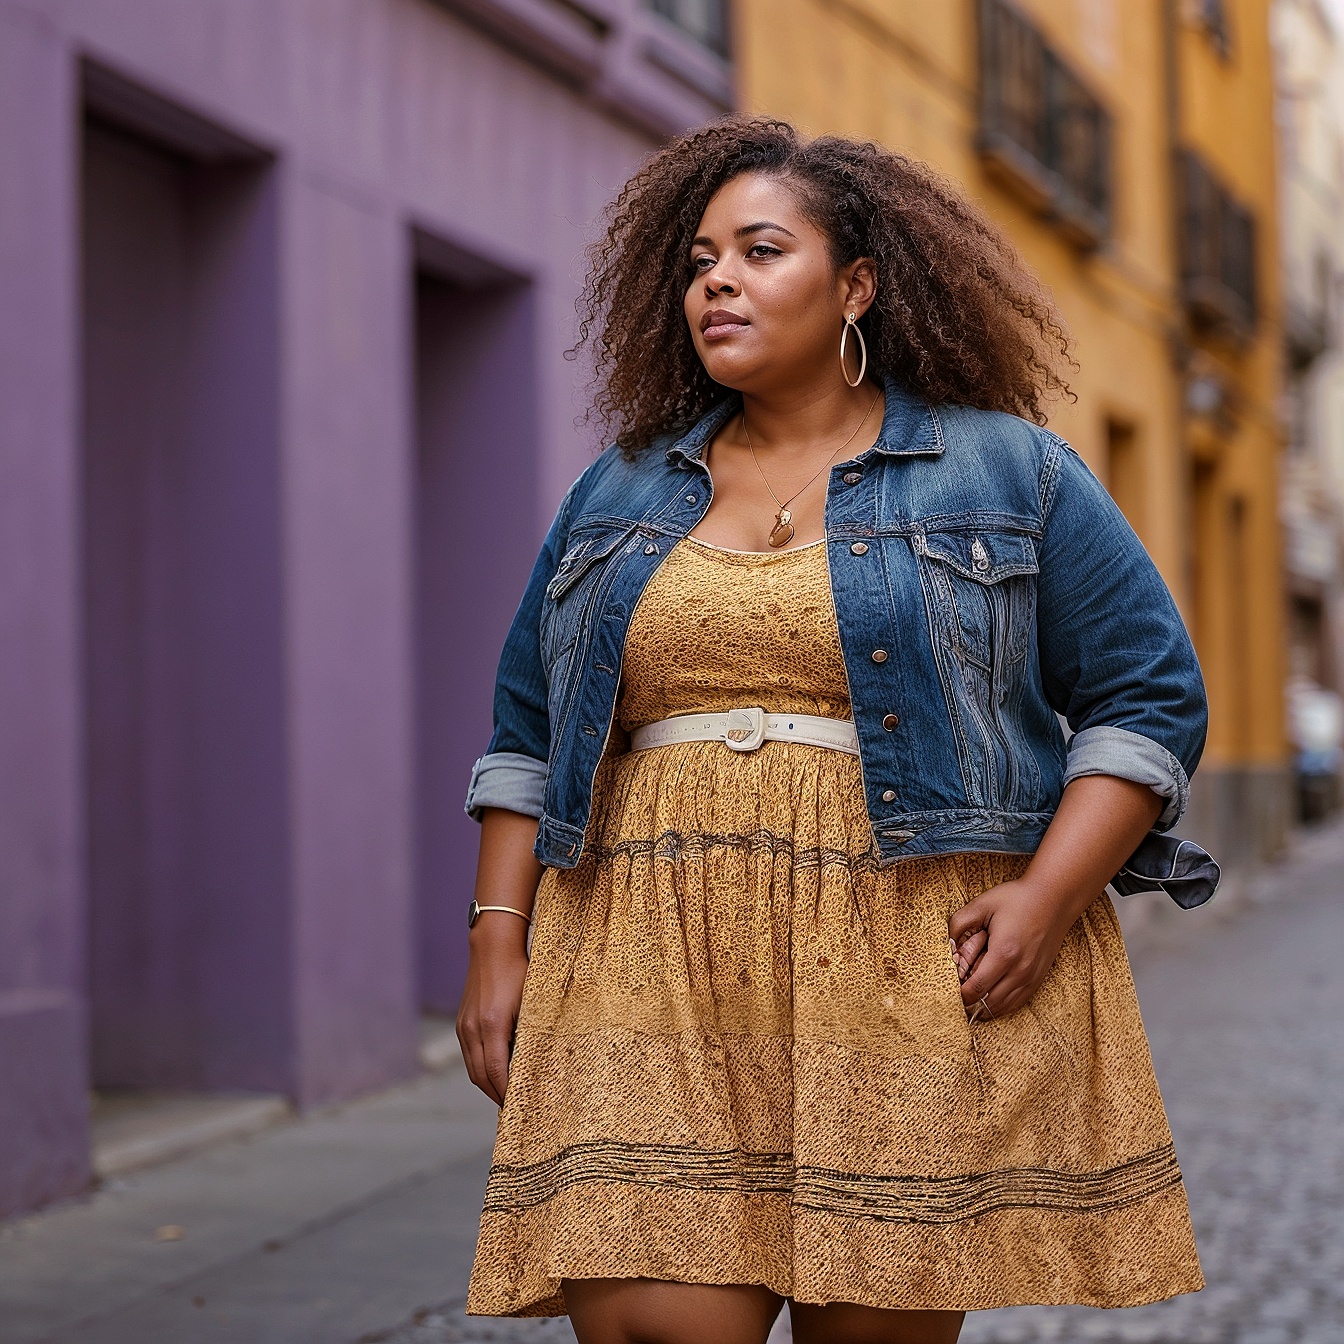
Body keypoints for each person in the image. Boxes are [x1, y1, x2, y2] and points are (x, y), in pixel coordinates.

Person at [456, 117, 1207, 1344]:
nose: (718, 282)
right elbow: (526, 726)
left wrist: (1049, 897)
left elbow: (1148, 696)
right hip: (645, 956)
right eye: (700, 261)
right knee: (652, 1317)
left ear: (854, 284)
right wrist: (498, 941)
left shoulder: (1008, 470)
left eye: (759, 251)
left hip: (898, 957)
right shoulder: (622, 485)